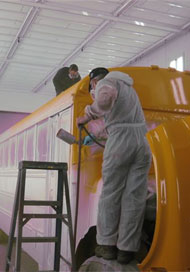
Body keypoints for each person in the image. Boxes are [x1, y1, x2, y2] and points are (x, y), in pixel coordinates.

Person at [77, 67, 152, 265]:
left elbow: (104, 101)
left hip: (121, 144)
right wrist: (98, 135)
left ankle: (106, 245)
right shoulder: (129, 88)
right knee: (134, 197)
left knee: (111, 194)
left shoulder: (106, 83)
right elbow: (121, 120)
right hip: (142, 144)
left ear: (94, 82)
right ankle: (127, 249)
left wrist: (87, 115)